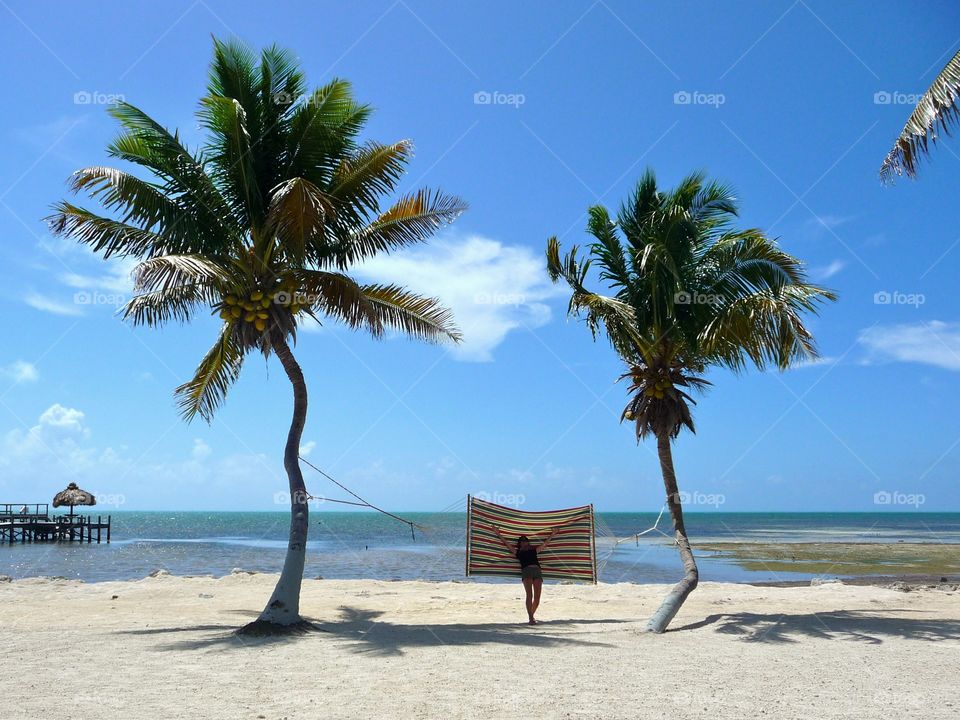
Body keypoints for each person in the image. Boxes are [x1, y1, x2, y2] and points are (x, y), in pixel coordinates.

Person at [491, 524, 560, 625]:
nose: (524, 542)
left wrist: (552, 534)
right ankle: (531, 618)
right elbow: (506, 544)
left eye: (526, 540)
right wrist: (498, 533)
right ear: (519, 544)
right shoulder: (518, 552)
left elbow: (545, 544)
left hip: (537, 572)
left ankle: (531, 615)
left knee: (537, 597)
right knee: (529, 595)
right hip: (526, 571)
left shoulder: (534, 550)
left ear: (528, 542)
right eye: (522, 541)